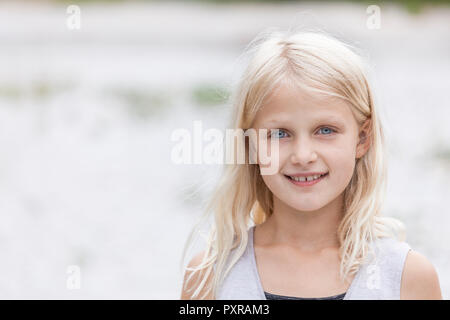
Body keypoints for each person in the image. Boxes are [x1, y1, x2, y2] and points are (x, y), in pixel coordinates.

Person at [180, 29, 442, 300]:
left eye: (325, 130)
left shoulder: (406, 279)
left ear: (362, 138)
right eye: (280, 133)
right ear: (250, 145)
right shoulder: (211, 277)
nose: (303, 155)